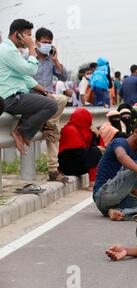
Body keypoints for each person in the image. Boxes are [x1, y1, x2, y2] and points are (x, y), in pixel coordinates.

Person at [0, 19, 58, 155]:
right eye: (27, 35)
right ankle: (21, 132)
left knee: (45, 97)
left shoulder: (10, 49)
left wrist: (42, 89)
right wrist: (32, 48)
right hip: (11, 98)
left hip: (16, 95)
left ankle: (26, 129)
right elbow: (31, 70)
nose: (30, 39)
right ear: (17, 35)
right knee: (51, 106)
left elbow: (24, 77)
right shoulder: (8, 51)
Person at [33, 27, 70, 183]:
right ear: (36, 42)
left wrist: (55, 60)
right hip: (33, 97)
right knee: (60, 100)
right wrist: (43, 92)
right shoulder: (29, 58)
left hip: (48, 99)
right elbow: (25, 80)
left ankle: (53, 170)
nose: (47, 45)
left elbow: (63, 76)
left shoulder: (50, 60)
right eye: (44, 42)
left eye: (49, 43)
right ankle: (50, 124)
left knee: (53, 130)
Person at [58, 108, 104, 191]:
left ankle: (96, 181)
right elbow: (78, 152)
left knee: (97, 152)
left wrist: (96, 134)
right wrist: (96, 149)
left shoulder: (86, 130)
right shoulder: (70, 129)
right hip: (68, 166)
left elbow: (100, 147)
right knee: (95, 152)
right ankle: (93, 183)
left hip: (78, 164)